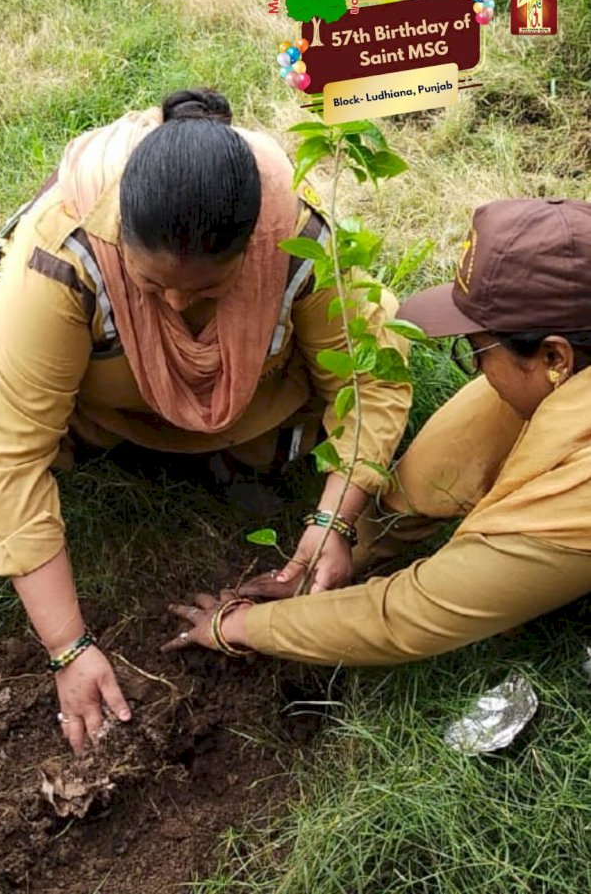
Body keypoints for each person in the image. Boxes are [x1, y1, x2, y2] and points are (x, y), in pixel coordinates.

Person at [0, 88, 411, 753]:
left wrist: (334, 519)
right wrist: (67, 647)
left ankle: (219, 448)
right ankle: (122, 449)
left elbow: (367, 380)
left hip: (249, 406)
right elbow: (11, 451)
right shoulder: (70, 246)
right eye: (150, 284)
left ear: (251, 248)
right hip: (99, 402)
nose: (173, 302)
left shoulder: (294, 234)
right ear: (119, 238)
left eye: (205, 292)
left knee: (382, 333)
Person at [163, 198, 591, 669]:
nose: (477, 372)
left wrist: (241, 627)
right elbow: (453, 453)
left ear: (554, 358)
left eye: (476, 352)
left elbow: (411, 615)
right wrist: (345, 539)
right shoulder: (568, 374)